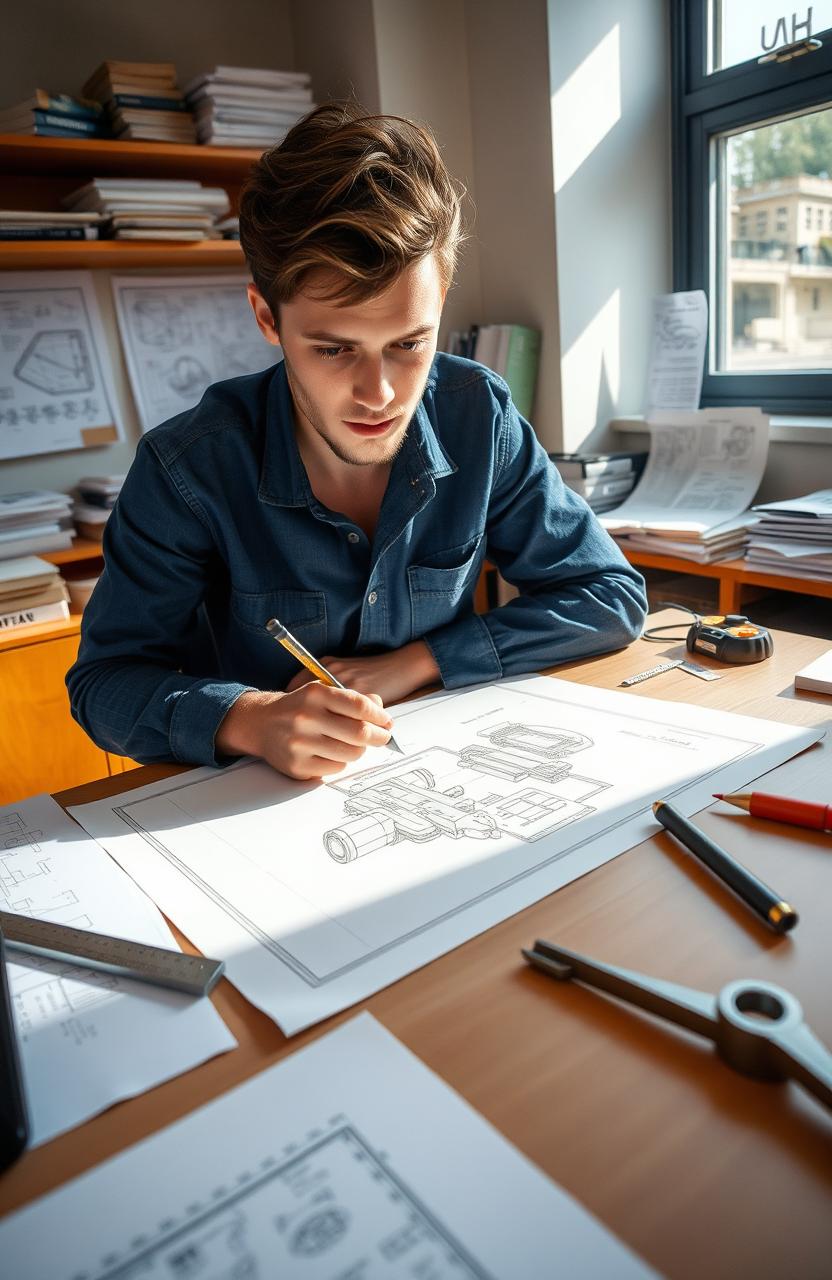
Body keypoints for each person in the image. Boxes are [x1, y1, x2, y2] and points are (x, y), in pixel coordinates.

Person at [67, 102, 647, 781]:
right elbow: (103, 685)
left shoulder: (477, 416)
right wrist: (247, 718)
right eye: (335, 349)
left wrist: (418, 663)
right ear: (267, 318)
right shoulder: (189, 468)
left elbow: (609, 594)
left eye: (409, 343)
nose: (379, 393)